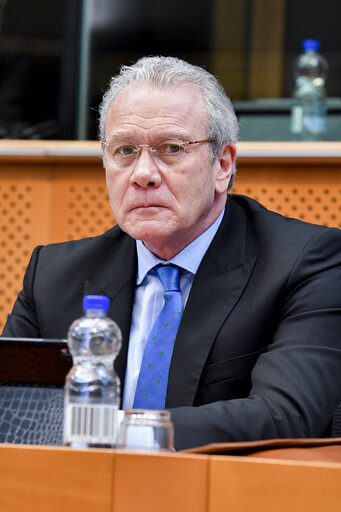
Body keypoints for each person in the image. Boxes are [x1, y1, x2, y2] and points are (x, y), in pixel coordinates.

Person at [2, 56, 341, 450]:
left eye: (171, 148)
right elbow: (10, 411)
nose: (143, 173)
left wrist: (114, 432)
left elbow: (285, 414)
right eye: (125, 150)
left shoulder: (306, 263)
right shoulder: (53, 276)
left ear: (223, 165)